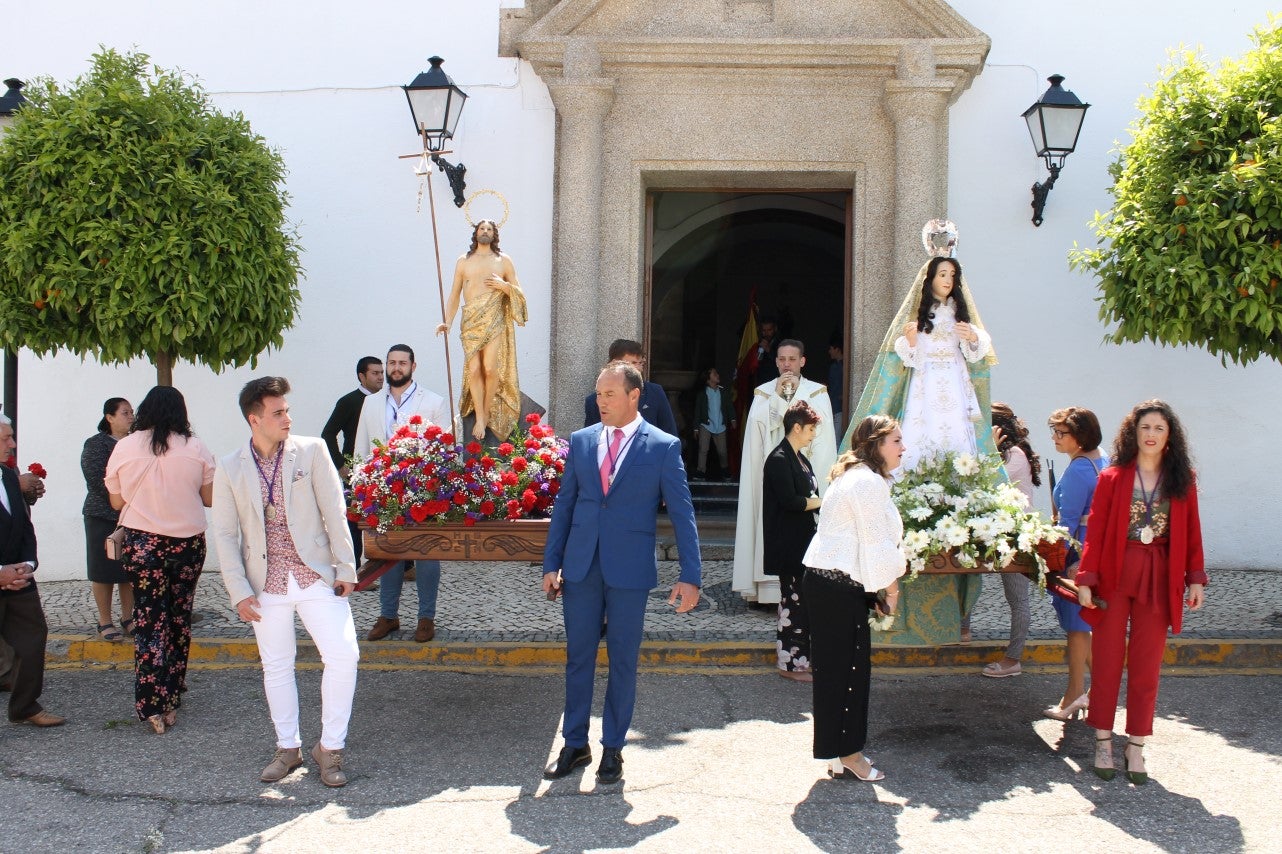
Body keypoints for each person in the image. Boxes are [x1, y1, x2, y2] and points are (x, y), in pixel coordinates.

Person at [541, 361, 701, 786]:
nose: (601, 401)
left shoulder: (663, 446)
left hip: (629, 569)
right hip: (580, 566)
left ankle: (613, 748)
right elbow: (565, 505)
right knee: (578, 657)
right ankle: (574, 744)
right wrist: (551, 563)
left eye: (610, 394)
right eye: (598, 394)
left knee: (623, 660)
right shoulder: (581, 440)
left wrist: (691, 575)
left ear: (634, 396)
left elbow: (682, 514)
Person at [838, 223, 995, 645]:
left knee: (956, 442)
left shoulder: (960, 315)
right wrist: (909, 342)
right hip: (926, 389)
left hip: (953, 386)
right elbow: (904, 357)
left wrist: (973, 338)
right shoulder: (919, 317)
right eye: (942, 275)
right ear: (929, 280)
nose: (948, 281)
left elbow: (979, 351)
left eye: (952, 276)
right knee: (920, 440)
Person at [212, 377, 360, 787]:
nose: (287, 419)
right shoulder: (229, 466)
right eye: (277, 413)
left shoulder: (312, 451)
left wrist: (346, 568)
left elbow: (335, 511)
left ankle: (330, 748)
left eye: (287, 410)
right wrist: (239, 592)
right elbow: (224, 534)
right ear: (254, 419)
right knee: (276, 665)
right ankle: (287, 747)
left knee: (344, 655)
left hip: (315, 575)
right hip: (265, 583)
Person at [1077, 400, 1205, 784]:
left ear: (1170, 436)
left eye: (1159, 428)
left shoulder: (1182, 479)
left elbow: (1193, 531)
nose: (1151, 434)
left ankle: (1136, 745)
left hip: (1160, 576)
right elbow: (1095, 532)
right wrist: (1086, 579)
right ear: (1133, 433)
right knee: (1107, 658)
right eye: (1145, 427)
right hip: (1114, 575)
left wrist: (1195, 578)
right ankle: (1103, 740)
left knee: (1147, 664)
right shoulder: (1112, 477)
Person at [104, 386, 215, 733]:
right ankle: (173, 694)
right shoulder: (195, 447)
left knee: (149, 620)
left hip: (143, 543)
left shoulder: (125, 447)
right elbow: (209, 498)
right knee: (179, 618)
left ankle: (153, 702)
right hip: (187, 544)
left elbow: (116, 502)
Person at [802, 414, 905, 782]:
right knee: (848, 673)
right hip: (835, 586)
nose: (903, 448)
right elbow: (876, 544)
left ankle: (839, 752)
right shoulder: (865, 482)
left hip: (834, 583)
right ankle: (849, 754)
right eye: (896, 441)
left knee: (840, 672)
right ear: (876, 444)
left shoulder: (858, 476)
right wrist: (891, 589)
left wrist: (874, 590)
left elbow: (866, 541)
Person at [354, 344, 450, 642]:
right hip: (382, 490)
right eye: (391, 363)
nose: (396, 368)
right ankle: (388, 616)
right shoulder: (371, 403)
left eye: (402, 363)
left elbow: (444, 449)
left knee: (427, 555)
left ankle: (426, 618)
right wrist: (360, 486)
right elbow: (361, 447)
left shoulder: (432, 402)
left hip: (423, 491)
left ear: (413, 366)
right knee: (387, 553)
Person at [733, 339, 837, 604]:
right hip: (774, 476)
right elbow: (758, 431)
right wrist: (778, 399)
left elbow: (823, 438)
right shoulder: (763, 393)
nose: (787, 365)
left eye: (792, 359)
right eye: (782, 359)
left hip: (804, 474)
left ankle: (808, 590)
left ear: (802, 361)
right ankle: (769, 592)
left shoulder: (817, 393)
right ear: (776, 362)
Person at [436, 219, 528, 442]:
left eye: (489, 229)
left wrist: (505, 286)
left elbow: (519, 292)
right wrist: (447, 321)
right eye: (481, 228)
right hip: (471, 320)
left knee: (489, 368)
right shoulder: (464, 261)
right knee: (474, 368)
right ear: (475, 233)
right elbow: (454, 294)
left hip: (494, 318)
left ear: (494, 234)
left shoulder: (503, 260)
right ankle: (479, 415)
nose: (485, 231)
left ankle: (486, 413)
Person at [1042, 406, 1107, 721]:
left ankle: (1074, 694)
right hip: (1095, 550)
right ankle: (1099, 690)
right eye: (1054, 431)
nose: (1055, 438)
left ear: (1079, 436)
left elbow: (1067, 523)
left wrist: (1064, 557)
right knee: (1084, 624)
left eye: (1061, 433)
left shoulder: (1080, 469)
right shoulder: (1101, 459)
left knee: (1077, 627)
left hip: (1078, 553)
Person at [0, 414, 64, 727]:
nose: (12, 444)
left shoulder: (8, 475)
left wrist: (27, 565)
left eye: (11, 436)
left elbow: (25, 527)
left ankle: (24, 706)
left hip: (19, 579)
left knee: (33, 638)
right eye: (5, 438)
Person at [980, 401, 1042, 678]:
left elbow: (993, 482)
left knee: (1017, 598)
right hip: (994, 530)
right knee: (968, 580)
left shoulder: (1015, 454)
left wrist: (990, 451)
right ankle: (964, 631)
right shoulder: (1003, 453)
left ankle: (1013, 658)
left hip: (1016, 536)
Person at [763, 401, 823, 681]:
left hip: (803, 542)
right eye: (810, 429)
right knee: (793, 604)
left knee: (802, 603)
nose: (813, 434)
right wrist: (823, 502)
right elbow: (791, 501)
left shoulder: (799, 458)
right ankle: (790, 665)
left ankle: (800, 662)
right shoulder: (779, 459)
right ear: (796, 428)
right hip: (789, 545)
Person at [81, 397, 136, 642]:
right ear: (109, 417)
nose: (131, 417)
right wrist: (120, 500)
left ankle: (128, 617)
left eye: (132, 412)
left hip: (133, 515)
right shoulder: (96, 444)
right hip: (102, 514)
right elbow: (95, 478)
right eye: (125, 413)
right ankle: (105, 620)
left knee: (129, 570)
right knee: (102, 569)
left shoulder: (137, 442)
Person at [321, 356, 383, 564]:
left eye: (381, 373)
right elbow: (328, 434)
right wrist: (340, 465)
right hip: (355, 471)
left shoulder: (387, 401)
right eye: (375, 373)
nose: (380, 377)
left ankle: (403, 565)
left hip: (383, 470)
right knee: (354, 520)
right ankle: (353, 568)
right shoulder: (349, 401)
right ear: (362, 376)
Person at [584, 339, 678, 437]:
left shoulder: (655, 392)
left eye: (640, 363)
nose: (638, 369)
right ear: (615, 363)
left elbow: (669, 432)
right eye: (632, 363)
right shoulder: (593, 402)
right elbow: (590, 438)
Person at [692, 367, 735, 480]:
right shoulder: (702, 394)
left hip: (720, 425)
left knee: (722, 451)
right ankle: (701, 471)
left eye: (717, 373)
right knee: (703, 449)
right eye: (714, 374)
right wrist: (696, 428)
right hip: (705, 425)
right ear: (708, 379)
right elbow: (697, 411)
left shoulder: (723, 392)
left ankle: (725, 470)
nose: (717, 375)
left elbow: (729, 406)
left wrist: (733, 419)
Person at [753, 318, 781, 386]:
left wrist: (769, 350)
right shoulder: (758, 343)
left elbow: (783, 362)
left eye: (769, 330)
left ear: (775, 329)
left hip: (776, 383)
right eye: (764, 330)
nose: (766, 333)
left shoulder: (781, 343)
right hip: (760, 383)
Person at [826, 335, 844, 434]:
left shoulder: (844, 366)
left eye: (831, 348)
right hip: (833, 407)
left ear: (837, 349)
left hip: (839, 408)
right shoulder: (834, 366)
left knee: (836, 438)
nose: (829, 351)